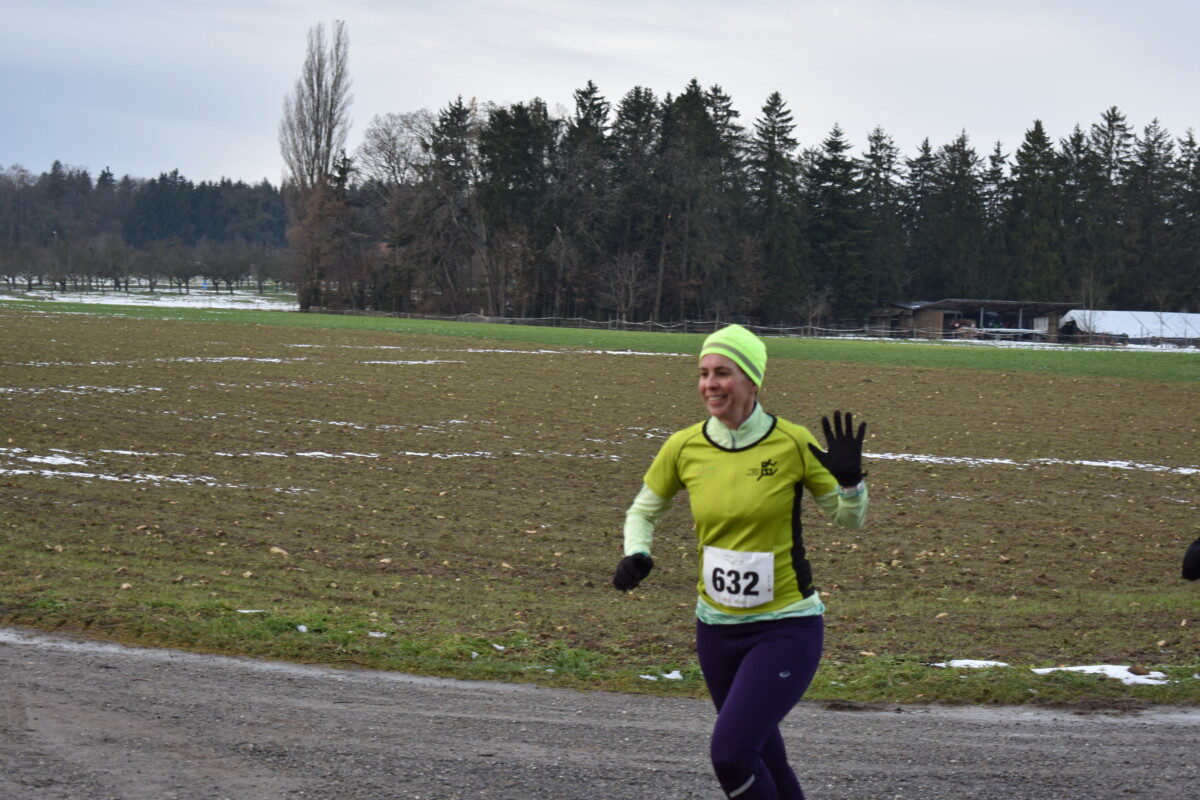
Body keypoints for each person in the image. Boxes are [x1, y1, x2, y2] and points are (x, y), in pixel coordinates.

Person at [612, 323, 868, 800]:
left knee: (731, 755)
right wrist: (637, 553)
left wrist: (851, 483)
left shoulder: (792, 443)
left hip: (786, 626)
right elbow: (642, 511)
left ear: (753, 381)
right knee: (765, 758)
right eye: (704, 373)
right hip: (715, 629)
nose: (710, 384)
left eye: (723, 373)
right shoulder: (684, 446)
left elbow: (848, 519)